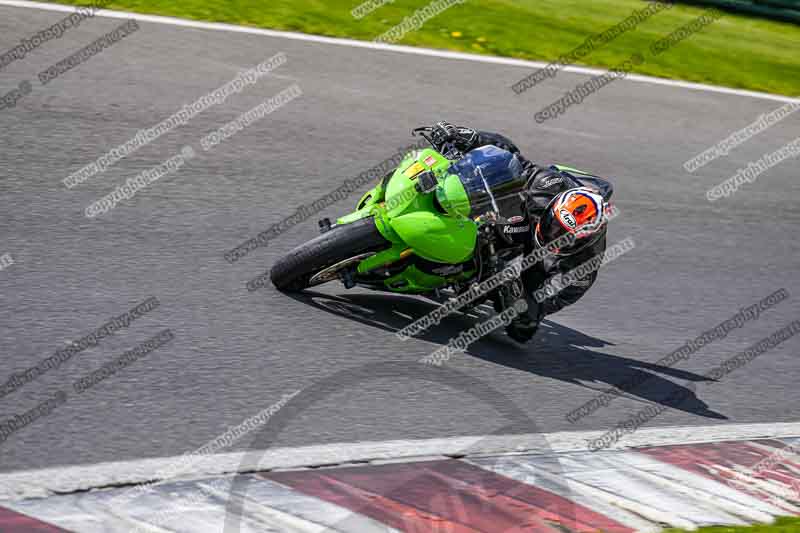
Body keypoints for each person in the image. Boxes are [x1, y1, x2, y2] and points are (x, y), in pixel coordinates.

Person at [426, 121, 610, 342]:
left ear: (583, 238)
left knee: (524, 326)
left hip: (540, 260)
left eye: (565, 236)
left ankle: (492, 287)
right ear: (553, 208)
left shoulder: (588, 257)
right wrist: (471, 137)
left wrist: (535, 302)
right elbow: (510, 156)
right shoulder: (545, 184)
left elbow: (565, 295)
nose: (554, 234)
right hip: (525, 218)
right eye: (554, 224)